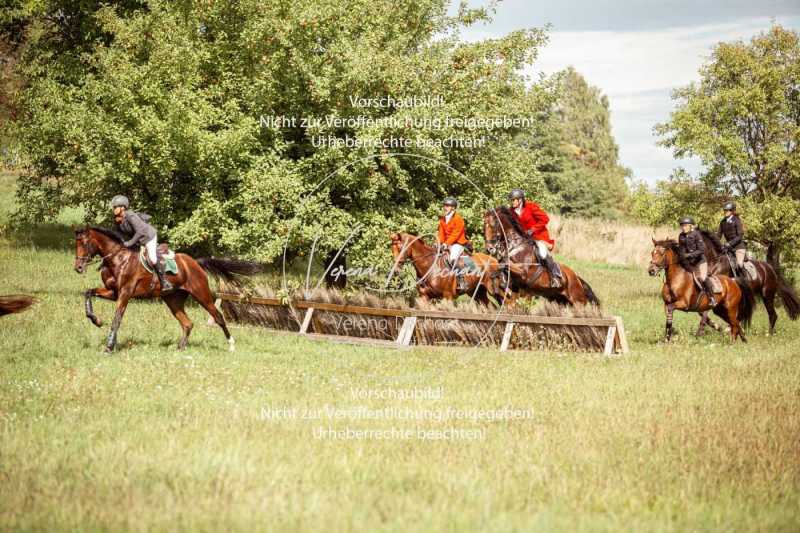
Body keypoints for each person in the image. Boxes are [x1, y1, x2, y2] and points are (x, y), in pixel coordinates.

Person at [111, 195, 174, 293]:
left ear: (123, 207)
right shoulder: (118, 219)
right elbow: (117, 234)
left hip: (148, 237)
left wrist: (130, 243)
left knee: (152, 258)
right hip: (138, 240)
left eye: (116, 207)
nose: (114, 209)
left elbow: (140, 231)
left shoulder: (130, 215)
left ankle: (164, 282)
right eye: (113, 207)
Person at [508, 188, 562, 288]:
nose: (512, 202)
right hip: (523, 239)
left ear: (520, 200)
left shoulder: (531, 206)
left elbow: (545, 219)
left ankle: (555, 275)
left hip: (538, 236)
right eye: (511, 200)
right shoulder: (511, 211)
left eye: (514, 200)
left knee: (542, 252)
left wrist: (533, 229)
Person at [678, 216, 716, 307]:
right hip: (689, 263)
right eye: (682, 226)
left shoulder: (696, 234)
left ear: (691, 226)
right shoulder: (681, 236)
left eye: (686, 226)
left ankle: (712, 298)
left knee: (703, 278)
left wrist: (689, 255)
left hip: (700, 262)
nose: (683, 227)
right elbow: (681, 249)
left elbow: (701, 250)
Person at [437, 197, 469, 292]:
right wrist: (440, 243)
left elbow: (456, 234)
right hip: (447, 244)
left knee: (452, 258)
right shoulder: (442, 219)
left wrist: (446, 244)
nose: (445, 207)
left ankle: (462, 282)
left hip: (458, 243)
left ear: (453, 208)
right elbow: (441, 233)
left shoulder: (458, 219)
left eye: (447, 206)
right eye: (444, 205)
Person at [718, 201, 746, 275]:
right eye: (725, 210)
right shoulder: (722, 222)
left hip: (738, 247)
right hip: (728, 248)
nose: (725, 212)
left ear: (732, 211)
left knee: (739, 264)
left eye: (727, 210)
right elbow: (718, 235)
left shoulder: (737, 220)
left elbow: (740, 236)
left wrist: (729, 243)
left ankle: (745, 281)